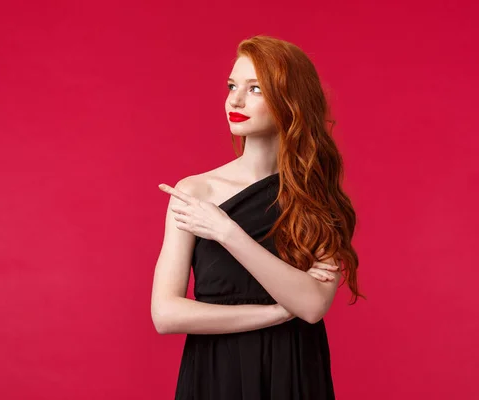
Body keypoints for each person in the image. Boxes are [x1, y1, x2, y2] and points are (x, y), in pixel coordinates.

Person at [151, 35, 364, 400]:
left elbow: (312, 307)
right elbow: (166, 314)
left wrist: (225, 231)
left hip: (294, 370)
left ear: (289, 101)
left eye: (255, 89)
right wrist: (276, 313)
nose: (235, 100)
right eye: (233, 86)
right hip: (216, 372)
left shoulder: (317, 199)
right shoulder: (194, 192)